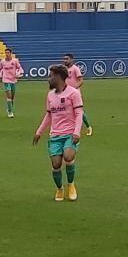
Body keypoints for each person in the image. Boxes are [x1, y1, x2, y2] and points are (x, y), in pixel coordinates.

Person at [32, 65, 83, 202]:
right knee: (56, 164)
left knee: (68, 156)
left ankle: (71, 185)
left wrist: (77, 132)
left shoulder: (74, 93)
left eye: (51, 76)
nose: (49, 79)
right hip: (55, 135)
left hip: (70, 133)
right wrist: (39, 132)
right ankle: (59, 189)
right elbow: (49, 115)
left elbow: (79, 114)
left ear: (59, 77)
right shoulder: (50, 95)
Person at [62, 53, 94, 135]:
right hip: (65, 93)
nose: (65, 61)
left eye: (67, 59)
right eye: (64, 59)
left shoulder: (75, 69)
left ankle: (88, 127)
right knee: (64, 109)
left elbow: (81, 81)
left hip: (74, 94)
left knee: (79, 111)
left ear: (72, 60)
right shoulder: (63, 69)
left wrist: (74, 89)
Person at [0, 48, 24, 118]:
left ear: (11, 53)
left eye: (8, 53)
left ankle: (9, 109)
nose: (7, 54)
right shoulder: (2, 62)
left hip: (13, 80)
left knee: (12, 97)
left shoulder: (15, 61)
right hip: (6, 80)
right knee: (9, 96)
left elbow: (19, 68)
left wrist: (19, 73)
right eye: (6, 53)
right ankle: (10, 112)